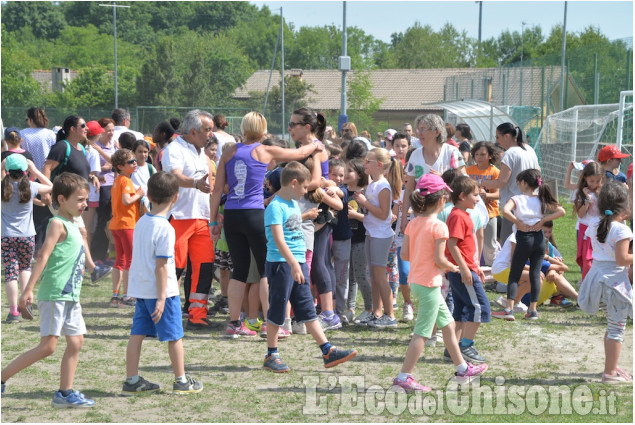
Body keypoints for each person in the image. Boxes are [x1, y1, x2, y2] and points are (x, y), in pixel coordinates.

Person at [209, 112, 324, 337]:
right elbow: (299, 153)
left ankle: (234, 324)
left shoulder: (229, 151)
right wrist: (316, 145)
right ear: (262, 129)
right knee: (265, 269)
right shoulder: (264, 150)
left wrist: (213, 220)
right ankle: (270, 323)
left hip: (232, 214)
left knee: (238, 270)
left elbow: (216, 190)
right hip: (254, 213)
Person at [1, 173, 96, 407]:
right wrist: (28, 290)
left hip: (71, 296)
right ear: (61, 199)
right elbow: (42, 256)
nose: (85, 204)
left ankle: (64, 393)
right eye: (80, 200)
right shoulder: (57, 223)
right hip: (55, 294)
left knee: (76, 343)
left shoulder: (74, 224)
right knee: (48, 347)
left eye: (86, 200)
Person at [392, 174, 487, 393]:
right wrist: (454, 267)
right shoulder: (439, 227)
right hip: (429, 284)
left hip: (418, 281)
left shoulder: (413, 223)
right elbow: (439, 260)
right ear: (442, 199)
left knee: (448, 325)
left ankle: (462, 368)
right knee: (422, 332)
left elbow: (405, 254)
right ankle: (404, 376)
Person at [262, 161, 357, 372]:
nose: (307, 191)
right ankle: (271, 354)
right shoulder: (275, 207)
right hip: (282, 264)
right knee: (277, 309)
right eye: (305, 187)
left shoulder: (293, 203)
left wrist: (306, 218)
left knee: (307, 309)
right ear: (293, 183)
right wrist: (294, 264)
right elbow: (278, 239)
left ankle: (327, 351)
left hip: (297, 263)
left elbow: (292, 225)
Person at [121, 172, 203, 395]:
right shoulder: (166, 228)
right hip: (162, 293)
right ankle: (181, 380)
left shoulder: (141, 222)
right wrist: (160, 298)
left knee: (136, 334)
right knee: (175, 335)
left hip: (142, 290)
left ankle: (131, 380)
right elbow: (162, 266)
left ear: (148, 194)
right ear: (175, 197)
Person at [161, 110, 215, 329]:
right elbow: (173, 176)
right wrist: (194, 183)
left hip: (201, 218)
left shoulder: (202, 152)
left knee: (204, 267)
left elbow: (209, 187)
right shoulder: (173, 149)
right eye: (207, 129)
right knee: (175, 267)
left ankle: (197, 314)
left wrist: (214, 213)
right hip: (179, 216)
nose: (211, 134)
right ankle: (163, 313)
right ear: (193, 132)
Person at [578, 181, 633, 384]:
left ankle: (611, 365)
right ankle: (609, 373)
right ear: (625, 207)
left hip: (597, 277)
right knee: (617, 328)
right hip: (614, 283)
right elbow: (621, 260)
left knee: (612, 326)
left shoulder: (595, 224)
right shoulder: (621, 230)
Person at [492, 169, 565, 321]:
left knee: (515, 274)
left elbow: (505, 211)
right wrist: (543, 221)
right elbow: (561, 211)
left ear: (524, 183)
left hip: (523, 237)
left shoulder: (517, 198)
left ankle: (509, 309)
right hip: (539, 239)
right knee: (535, 272)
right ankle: (532, 311)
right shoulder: (541, 199)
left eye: (519, 183)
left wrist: (518, 222)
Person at [443, 176, 490, 364]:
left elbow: (466, 247)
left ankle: (451, 349)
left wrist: (475, 267)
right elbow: (452, 245)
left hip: (466, 269)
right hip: (461, 272)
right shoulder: (456, 216)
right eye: (475, 195)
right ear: (462, 196)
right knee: (480, 307)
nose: (478, 199)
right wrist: (464, 269)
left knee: (462, 310)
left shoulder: (464, 215)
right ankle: (466, 346)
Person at [353, 148, 402, 327]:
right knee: (373, 276)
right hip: (371, 233)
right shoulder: (373, 184)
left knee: (380, 277)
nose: (365, 164)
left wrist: (364, 203)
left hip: (381, 235)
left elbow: (384, 214)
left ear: (379, 165)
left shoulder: (383, 186)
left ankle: (389, 315)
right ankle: (376, 311)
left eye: (368, 161)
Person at [1, 155, 53, 323]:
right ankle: (26, 303)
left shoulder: (3, 187)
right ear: (25, 171)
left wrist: (1, 166)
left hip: (6, 235)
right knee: (25, 268)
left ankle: (14, 311)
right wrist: (35, 170)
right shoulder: (31, 186)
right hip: (27, 235)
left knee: (10, 272)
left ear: (7, 170)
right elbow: (50, 186)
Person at [401, 114, 465, 236]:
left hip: (448, 214)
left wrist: (443, 178)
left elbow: (464, 183)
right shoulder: (415, 155)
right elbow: (409, 188)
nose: (419, 133)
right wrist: (404, 218)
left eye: (423, 129)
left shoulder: (451, 152)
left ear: (436, 132)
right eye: (418, 129)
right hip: (422, 216)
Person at [481, 123, 540, 245]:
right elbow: (538, 172)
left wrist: (481, 183)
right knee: (528, 243)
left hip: (514, 207)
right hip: (532, 204)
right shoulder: (530, 150)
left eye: (498, 137)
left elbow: (501, 181)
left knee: (509, 245)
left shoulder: (510, 154)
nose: (496, 140)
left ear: (507, 136)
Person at [109, 149, 144, 308]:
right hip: (127, 224)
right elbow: (126, 200)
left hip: (116, 224)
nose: (135, 163)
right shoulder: (126, 181)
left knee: (120, 260)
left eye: (135, 160)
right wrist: (139, 194)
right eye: (131, 162)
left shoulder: (117, 180)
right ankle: (128, 296)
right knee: (131, 260)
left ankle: (115, 296)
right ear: (120, 166)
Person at [466, 141, 501, 266]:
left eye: (483, 154)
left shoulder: (495, 172)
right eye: (476, 154)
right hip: (471, 212)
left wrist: (486, 195)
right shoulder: (468, 170)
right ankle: (474, 266)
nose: (479, 157)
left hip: (490, 213)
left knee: (490, 244)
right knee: (471, 241)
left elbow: (498, 194)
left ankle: (493, 270)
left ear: (490, 156)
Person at [90, 117, 118, 264]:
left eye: (113, 130)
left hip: (115, 185)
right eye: (108, 130)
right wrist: (103, 168)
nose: (111, 133)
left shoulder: (114, 145)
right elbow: (90, 168)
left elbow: (118, 162)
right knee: (102, 220)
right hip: (103, 186)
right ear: (101, 131)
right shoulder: (95, 146)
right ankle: (97, 254)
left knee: (111, 221)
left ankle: (108, 252)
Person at [571, 162, 603, 279]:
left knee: (599, 257)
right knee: (586, 258)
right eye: (591, 181)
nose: (595, 184)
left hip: (600, 229)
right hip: (585, 229)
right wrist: (587, 201)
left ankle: (597, 280)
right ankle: (586, 280)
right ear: (585, 178)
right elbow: (580, 214)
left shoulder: (603, 192)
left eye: (598, 181)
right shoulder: (580, 193)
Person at [131, 139, 156, 212]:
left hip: (148, 205)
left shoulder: (150, 168)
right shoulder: (130, 167)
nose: (143, 154)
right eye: (140, 152)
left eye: (145, 152)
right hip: (133, 202)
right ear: (134, 152)